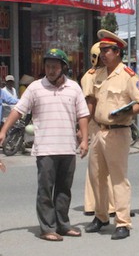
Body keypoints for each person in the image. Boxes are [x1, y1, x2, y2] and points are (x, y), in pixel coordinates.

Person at [0, 49, 89, 241]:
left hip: (67, 147)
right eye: (48, 66)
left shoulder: (74, 88)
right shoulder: (35, 88)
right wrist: (3, 130)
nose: (50, 70)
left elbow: (82, 114)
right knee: (46, 190)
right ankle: (48, 227)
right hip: (46, 148)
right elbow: (18, 110)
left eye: (55, 66)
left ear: (63, 67)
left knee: (64, 190)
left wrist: (84, 139)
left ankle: (63, 224)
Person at [84, 29, 139, 240]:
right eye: (101, 50)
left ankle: (123, 222)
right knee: (97, 177)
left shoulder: (128, 76)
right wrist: (82, 127)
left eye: (107, 50)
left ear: (117, 52)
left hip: (118, 131)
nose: (103, 54)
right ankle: (101, 217)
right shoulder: (98, 74)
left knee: (118, 178)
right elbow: (91, 101)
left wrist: (126, 112)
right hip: (98, 130)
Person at [80, 42, 115, 217]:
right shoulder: (90, 76)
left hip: (102, 124)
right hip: (94, 124)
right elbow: (88, 103)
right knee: (95, 167)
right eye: (100, 54)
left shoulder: (108, 73)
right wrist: (84, 128)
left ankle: (107, 204)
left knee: (103, 167)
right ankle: (94, 204)